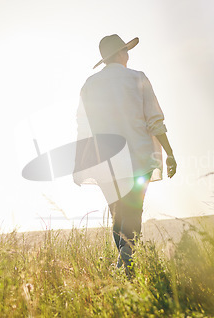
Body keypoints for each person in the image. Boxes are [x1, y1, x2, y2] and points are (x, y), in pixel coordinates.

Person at [73, 34, 177, 273]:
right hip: (138, 158)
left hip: (105, 162)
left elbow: (82, 127)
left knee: (119, 215)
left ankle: (123, 268)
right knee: (132, 214)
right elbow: (155, 121)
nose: (128, 55)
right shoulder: (138, 78)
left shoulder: (89, 85)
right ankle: (126, 268)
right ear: (121, 53)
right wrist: (169, 153)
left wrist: (81, 161)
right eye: (126, 51)